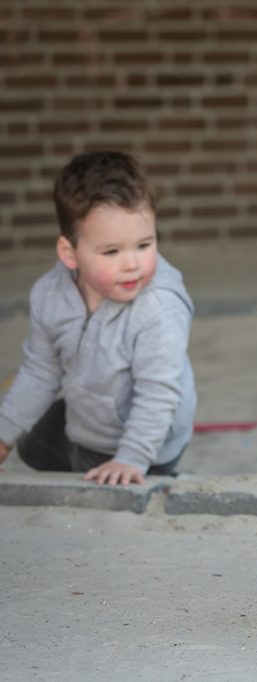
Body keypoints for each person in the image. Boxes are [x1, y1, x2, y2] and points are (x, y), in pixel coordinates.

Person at [0, 150, 195, 486]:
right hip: (88, 410)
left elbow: (159, 392)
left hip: (147, 436)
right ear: (69, 253)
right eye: (112, 251)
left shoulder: (158, 307)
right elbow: (41, 370)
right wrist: (4, 436)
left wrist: (131, 458)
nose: (132, 263)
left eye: (144, 244)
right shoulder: (50, 295)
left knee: (101, 475)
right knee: (31, 447)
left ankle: (157, 471)